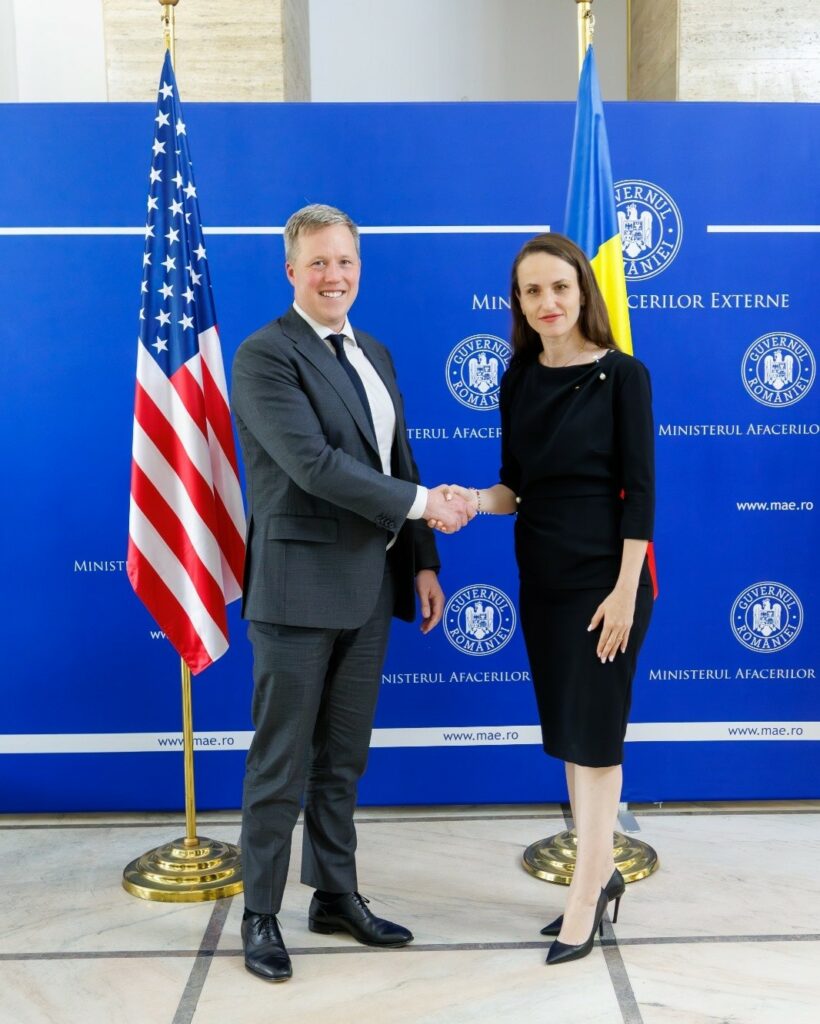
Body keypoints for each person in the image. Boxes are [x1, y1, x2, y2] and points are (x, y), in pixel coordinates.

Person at [231, 203, 474, 982]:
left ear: (358, 269)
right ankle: (260, 913)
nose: (333, 276)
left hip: (371, 585)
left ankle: (335, 895)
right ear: (291, 271)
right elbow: (314, 465)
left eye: (345, 262)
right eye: (318, 263)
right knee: (281, 762)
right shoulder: (264, 355)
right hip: (297, 589)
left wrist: (424, 558)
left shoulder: (374, 350)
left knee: (343, 758)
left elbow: (399, 458)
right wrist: (426, 505)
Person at [448, 232, 654, 967]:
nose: (548, 302)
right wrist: (471, 500)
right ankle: (600, 875)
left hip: (607, 585)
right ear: (519, 303)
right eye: (532, 291)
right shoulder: (517, 378)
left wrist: (625, 593)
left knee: (595, 745)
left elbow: (641, 497)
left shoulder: (624, 375)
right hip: (542, 582)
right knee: (571, 736)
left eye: (560, 287)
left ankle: (585, 894)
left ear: (582, 292)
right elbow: (515, 485)